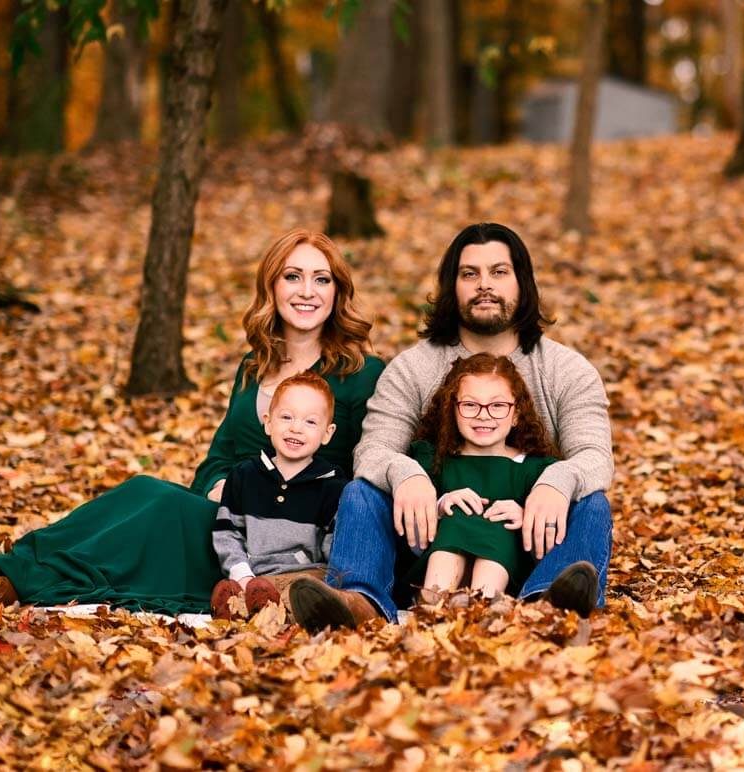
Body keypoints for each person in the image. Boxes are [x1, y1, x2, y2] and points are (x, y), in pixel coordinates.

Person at [0, 229, 384, 615]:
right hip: (230, 512)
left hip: (286, 538)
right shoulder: (254, 367)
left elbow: (371, 467)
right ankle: (1, 578)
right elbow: (220, 456)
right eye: (293, 276)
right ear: (272, 287)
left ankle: (11, 580)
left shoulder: (360, 373)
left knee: (153, 503)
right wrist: (218, 484)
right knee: (139, 492)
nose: (307, 291)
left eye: (321, 279)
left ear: (336, 292)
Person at [289, 222, 614, 631]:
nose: (484, 285)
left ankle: (547, 605)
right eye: (469, 274)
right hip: (429, 536)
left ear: (522, 283)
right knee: (362, 492)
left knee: (593, 503)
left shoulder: (568, 371)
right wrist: (407, 474)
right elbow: (372, 451)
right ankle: (360, 601)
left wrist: (556, 480)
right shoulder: (413, 368)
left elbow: (596, 458)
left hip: (528, 534)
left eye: (499, 272)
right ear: (451, 285)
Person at [407, 353, 558, 603]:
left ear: (517, 414)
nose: (483, 415)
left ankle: (486, 604)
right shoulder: (432, 462)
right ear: (452, 409)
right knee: (458, 517)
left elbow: (548, 538)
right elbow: (409, 533)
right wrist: (440, 505)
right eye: (470, 405)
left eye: (498, 406)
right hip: (438, 563)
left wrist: (526, 515)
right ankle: (432, 601)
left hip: (507, 572)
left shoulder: (535, 470)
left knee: (498, 525)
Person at [209, 372, 347, 619]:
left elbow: (334, 545)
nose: (296, 428)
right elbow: (227, 532)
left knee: (312, 586)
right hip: (254, 573)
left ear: (328, 433)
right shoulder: (244, 475)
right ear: (268, 422)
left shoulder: (332, 484)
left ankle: (265, 608)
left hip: (306, 572)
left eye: (310, 422)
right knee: (244, 587)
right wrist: (240, 572)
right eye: (286, 417)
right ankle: (238, 605)